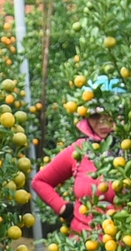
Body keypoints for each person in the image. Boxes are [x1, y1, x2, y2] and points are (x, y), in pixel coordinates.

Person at [31, 78, 119, 234]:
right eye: (94, 116)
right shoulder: (80, 150)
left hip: (129, 246)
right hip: (85, 243)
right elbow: (40, 181)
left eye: (107, 114)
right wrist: (64, 209)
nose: (102, 123)